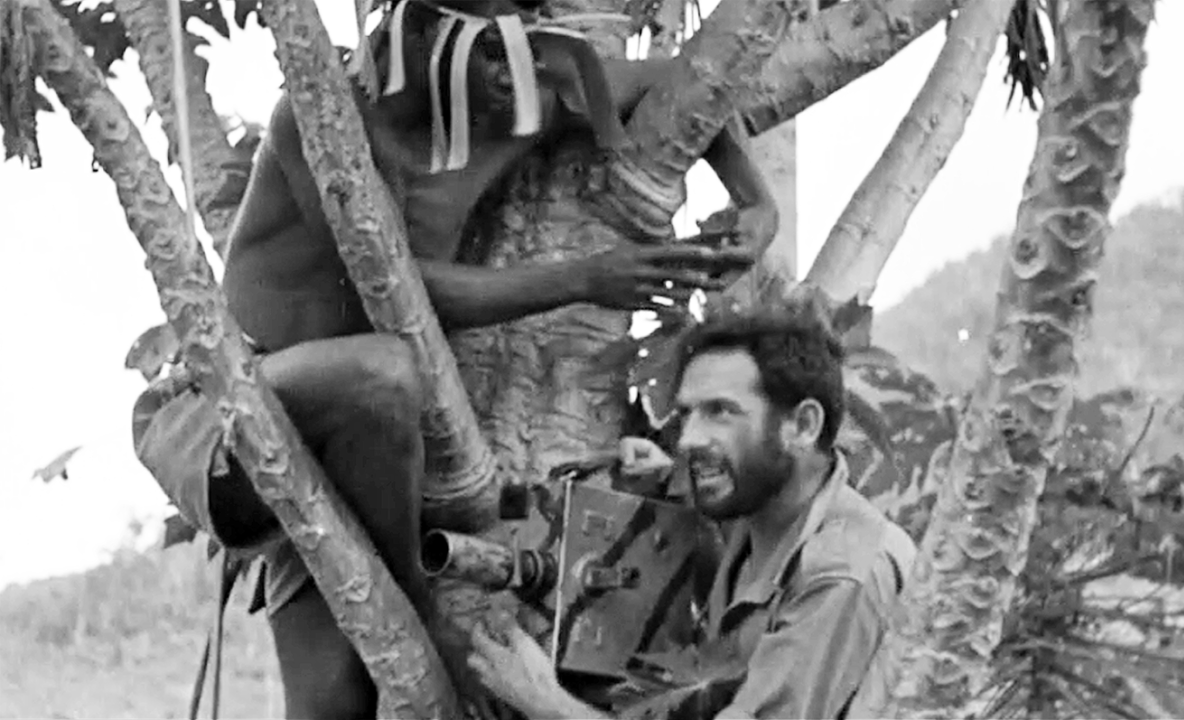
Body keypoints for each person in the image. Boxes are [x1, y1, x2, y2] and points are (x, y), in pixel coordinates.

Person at [130, 5, 774, 718]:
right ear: (418, 37)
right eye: (490, 52)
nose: (512, 72)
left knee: (335, 705)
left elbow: (680, 80)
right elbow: (389, 280)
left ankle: (411, 597)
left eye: (521, 50)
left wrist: (757, 201)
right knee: (386, 371)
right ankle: (417, 598)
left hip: (361, 459)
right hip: (246, 409)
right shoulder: (323, 119)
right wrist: (586, 277)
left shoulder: (516, 101)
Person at [466, 311, 919, 719]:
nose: (687, 440)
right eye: (687, 414)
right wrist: (667, 477)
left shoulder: (844, 575)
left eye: (721, 412)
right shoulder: (765, 502)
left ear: (802, 426)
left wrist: (548, 704)